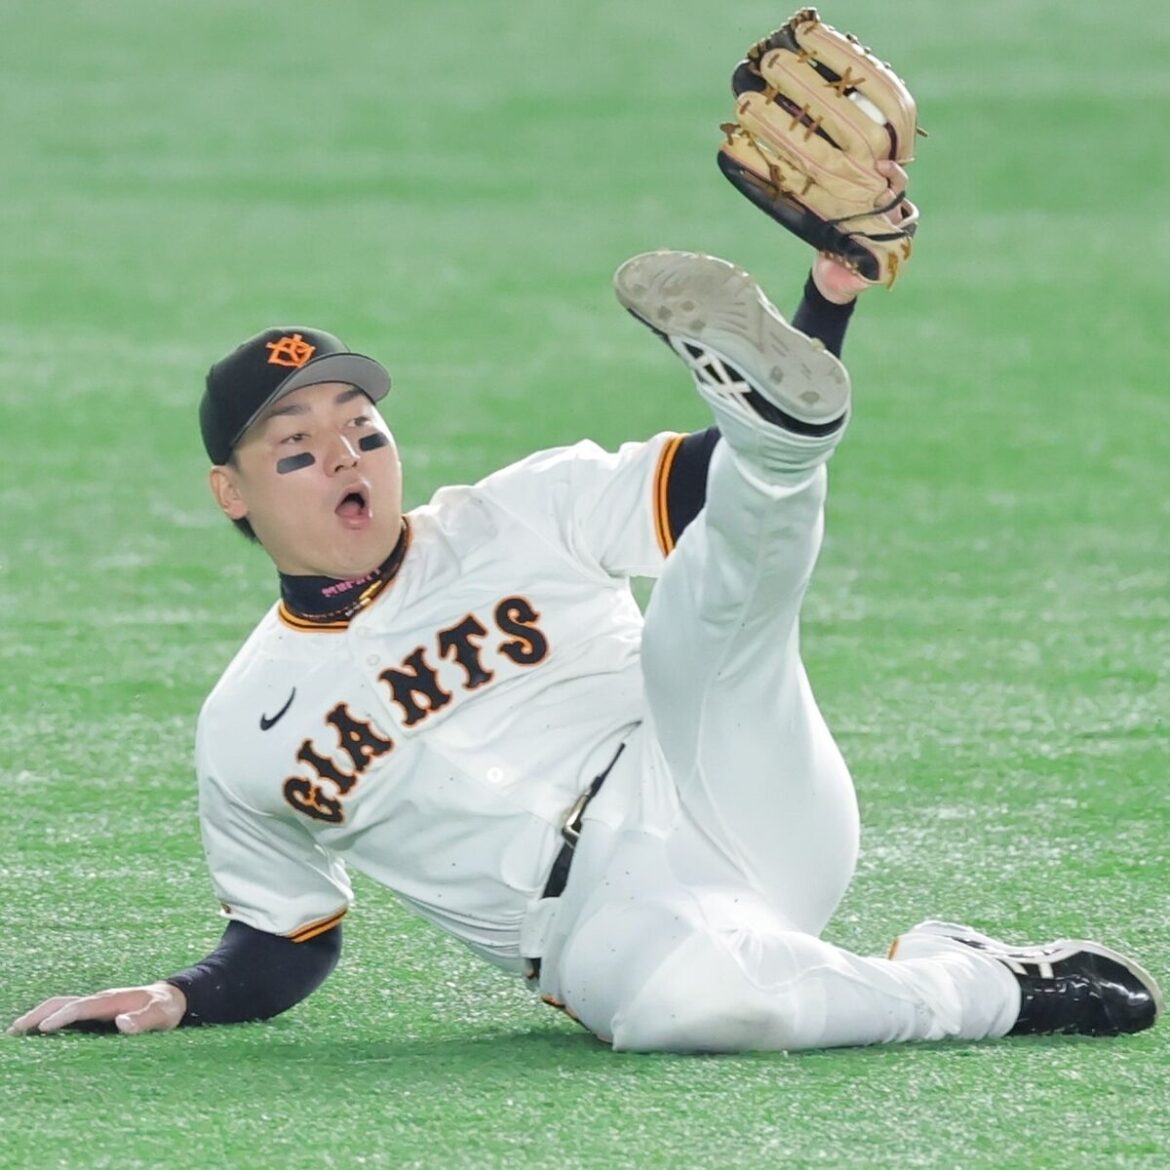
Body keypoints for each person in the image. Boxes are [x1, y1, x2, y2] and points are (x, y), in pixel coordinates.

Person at [9, 179, 1162, 1048]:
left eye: (364, 427)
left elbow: (706, 486)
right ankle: (988, 984)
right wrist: (184, 996)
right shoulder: (244, 726)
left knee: (711, 610)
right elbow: (284, 938)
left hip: (713, 774)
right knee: (706, 1012)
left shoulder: (520, 510)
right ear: (233, 493)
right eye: (298, 446)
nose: (347, 454)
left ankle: (791, 435)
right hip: (602, 932)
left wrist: (828, 301)